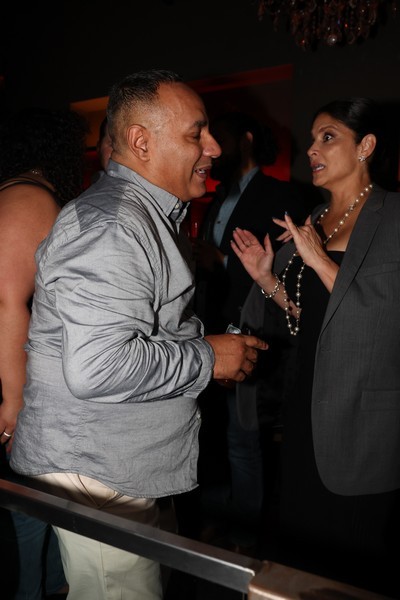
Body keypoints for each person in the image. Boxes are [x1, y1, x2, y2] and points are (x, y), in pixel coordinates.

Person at [10, 69, 268, 600]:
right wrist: (207, 358)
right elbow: (98, 366)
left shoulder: (144, 217)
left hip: (119, 462)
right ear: (141, 141)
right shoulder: (114, 225)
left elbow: (148, 328)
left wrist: (206, 355)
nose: (214, 147)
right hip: (99, 466)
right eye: (197, 133)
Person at [230, 97, 400, 597]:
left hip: (364, 421)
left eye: (328, 137)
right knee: (300, 558)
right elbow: (314, 320)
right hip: (305, 408)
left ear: (366, 146)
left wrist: (320, 260)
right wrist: (268, 280)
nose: (311, 149)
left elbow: (386, 322)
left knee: (350, 566)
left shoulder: (394, 216)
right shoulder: (318, 219)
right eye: (311, 139)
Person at [192, 111, 308, 554]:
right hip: (210, 336)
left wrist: (218, 261)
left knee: (245, 443)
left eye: (217, 135)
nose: (210, 145)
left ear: (244, 139)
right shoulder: (215, 197)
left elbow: (290, 272)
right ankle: (224, 522)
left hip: (254, 333)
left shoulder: (283, 195)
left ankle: (245, 545)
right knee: (216, 436)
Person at [0, 107, 88, 598]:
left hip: (20, 378)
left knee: (36, 514)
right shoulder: (31, 196)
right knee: (29, 516)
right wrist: (15, 403)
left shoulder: (17, 193)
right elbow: (8, 301)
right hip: (15, 385)